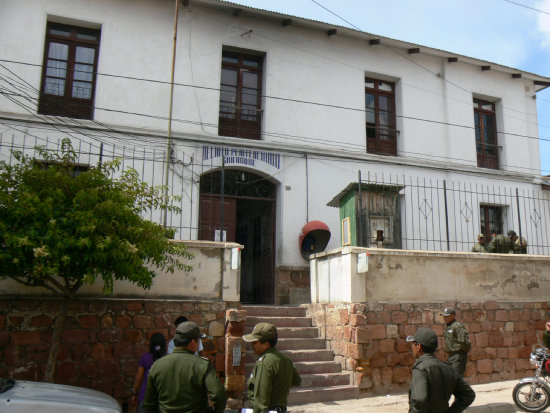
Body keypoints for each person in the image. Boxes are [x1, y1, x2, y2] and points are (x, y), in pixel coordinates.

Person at [143, 321, 226, 413]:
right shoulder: (203, 365)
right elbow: (218, 394)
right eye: (198, 341)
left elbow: (149, 402)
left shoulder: (157, 365)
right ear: (193, 342)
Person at [407, 327, 475, 413]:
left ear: (418, 346)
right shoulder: (449, 369)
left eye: (413, 344)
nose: (412, 347)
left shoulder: (420, 369)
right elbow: (468, 395)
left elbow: (419, 399)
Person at [243, 323, 301, 413]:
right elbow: (297, 381)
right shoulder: (286, 359)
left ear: (265, 344)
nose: (251, 345)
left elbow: (261, 401)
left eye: (254, 342)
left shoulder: (265, 363)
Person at [131, 333, 166, 413]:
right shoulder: (168, 359)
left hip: (145, 397)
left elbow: (139, 377)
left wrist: (134, 392)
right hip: (163, 398)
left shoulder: (145, 357)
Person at [441, 307, 471, 376]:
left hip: (458, 356)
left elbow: (463, 340)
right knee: (451, 377)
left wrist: (462, 352)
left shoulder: (457, 326)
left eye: (446, 316)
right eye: (444, 316)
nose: (444, 318)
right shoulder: (448, 326)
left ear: (452, 316)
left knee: (457, 378)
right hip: (451, 356)